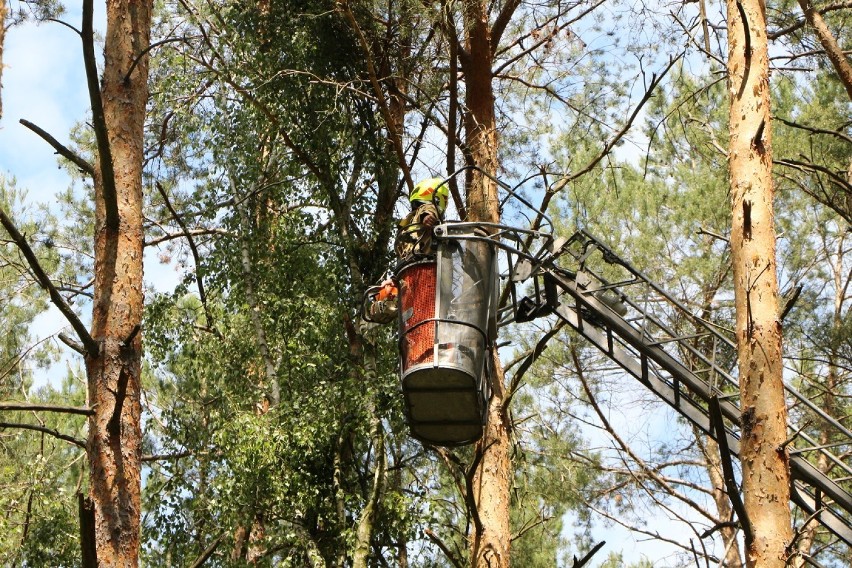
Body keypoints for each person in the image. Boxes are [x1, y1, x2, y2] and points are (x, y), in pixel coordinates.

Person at [394, 177, 449, 260]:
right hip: (423, 261)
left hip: (408, 265)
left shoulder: (408, 221)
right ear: (437, 197)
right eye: (444, 198)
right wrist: (427, 217)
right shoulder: (427, 207)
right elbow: (428, 210)